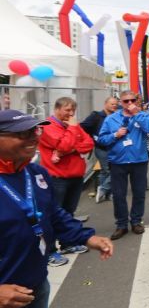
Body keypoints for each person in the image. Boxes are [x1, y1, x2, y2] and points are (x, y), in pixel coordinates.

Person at [0, 110, 113, 308]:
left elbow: (53, 214)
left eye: (35, 130)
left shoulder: (36, 174)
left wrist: (86, 237)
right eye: (22, 134)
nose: (33, 137)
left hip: (34, 286)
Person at [38, 97, 95, 266]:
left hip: (75, 175)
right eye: (67, 110)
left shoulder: (71, 125)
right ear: (57, 109)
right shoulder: (47, 126)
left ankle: (67, 243)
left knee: (68, 213)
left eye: (73, 110)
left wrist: (66, 149)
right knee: (51, 216)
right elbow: (63, 146)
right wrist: (72, 133)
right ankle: (50, 251)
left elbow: (89, 143)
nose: (70, 114)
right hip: (57, 177)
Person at [97, 90, 149, 240]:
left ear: (136, 101)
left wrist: (137, 114)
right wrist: (115, 135)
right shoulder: (111, 119)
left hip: (139, 161)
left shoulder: (143, 115)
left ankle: (136, 221)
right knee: (118, 195)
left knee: (139, 193)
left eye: (132, 100)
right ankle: (121, 224)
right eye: (126, 101)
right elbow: (102, 139)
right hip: (118, 161)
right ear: (120, 103)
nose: (130, 103)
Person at [80, 96, 119, 203]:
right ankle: (104, 190)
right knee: (110, 170)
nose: (114, 106)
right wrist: (91, 138)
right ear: (105, 104)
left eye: (116, 104)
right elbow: (82, 127)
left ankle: (105, 193)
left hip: (114, 148)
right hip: (101, 148)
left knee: (105, 171)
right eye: (112, 104)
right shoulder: (96, 116)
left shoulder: (116, 116)